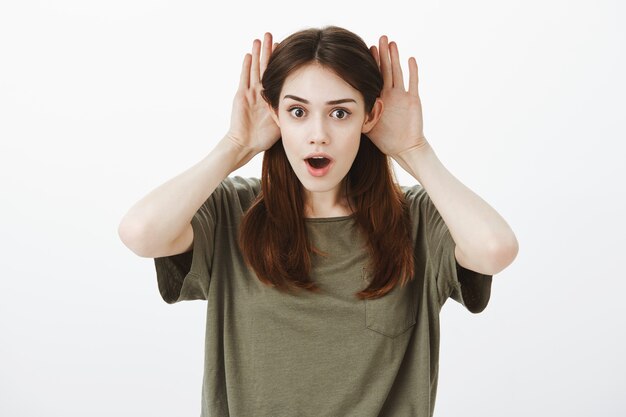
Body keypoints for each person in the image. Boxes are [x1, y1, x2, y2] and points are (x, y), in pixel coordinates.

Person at [118, 25, 518, 417]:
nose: (318, 134)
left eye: (340, 113)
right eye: (297, 111)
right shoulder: (232, 211)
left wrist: (414, 150)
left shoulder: (417, 220)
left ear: (370, 116)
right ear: (274, 116)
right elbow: (141, 233)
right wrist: (234, 146)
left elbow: (494, 250)